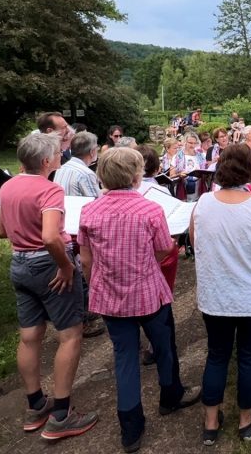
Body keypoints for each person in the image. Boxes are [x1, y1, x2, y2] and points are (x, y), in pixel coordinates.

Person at [78, 148, 200, 452]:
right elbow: (163, 250)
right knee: (164, 346)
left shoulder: (90, 212)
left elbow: (86, 259)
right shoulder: (150, 211)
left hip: (110, 296)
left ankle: (130, 426)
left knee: (124, 356)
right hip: (148, 293)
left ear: (101, 176)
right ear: (136, 176)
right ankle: (170, 395)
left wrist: (99, 280)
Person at [0, 133, 98, 441]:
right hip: (48, 264)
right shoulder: (50, 189)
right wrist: (66, 266)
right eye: (56, 154)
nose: (59, 157)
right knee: (70, 335)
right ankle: (62, 414)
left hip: (19, 263)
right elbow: (51, 236)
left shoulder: (8, 185)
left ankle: (35, 404)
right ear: (45, 161)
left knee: (29, 336)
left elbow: (1, 231)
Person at [190, 144, 251, 445]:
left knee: (217, 356)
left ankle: (211, 422)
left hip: (216, 296)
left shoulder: (202, 203)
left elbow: (195, 242)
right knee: (249, 358)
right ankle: (245, 421)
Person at [54, 131, 100, 198]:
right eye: (97, 147)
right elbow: (96, 201)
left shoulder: (61, 168)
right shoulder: (87, 174)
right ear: (92, 152)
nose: (98, 149)